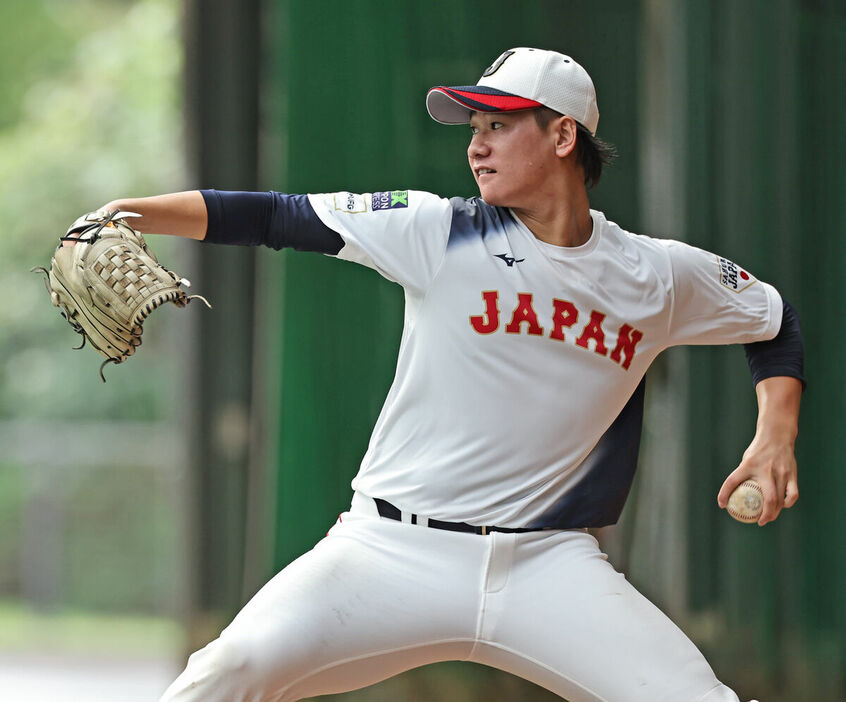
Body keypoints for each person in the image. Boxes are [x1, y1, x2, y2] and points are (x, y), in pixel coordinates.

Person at [83, 48, 804, 702]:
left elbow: (772, 321)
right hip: (392, 554)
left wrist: (775, 437)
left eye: (498, 124)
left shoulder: (658, 275)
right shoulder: (438, 229)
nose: (477, 144)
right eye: (472, 128)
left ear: (562, 137)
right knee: (226, 672)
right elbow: (276, 215)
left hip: (549, 564)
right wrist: (126, 214)